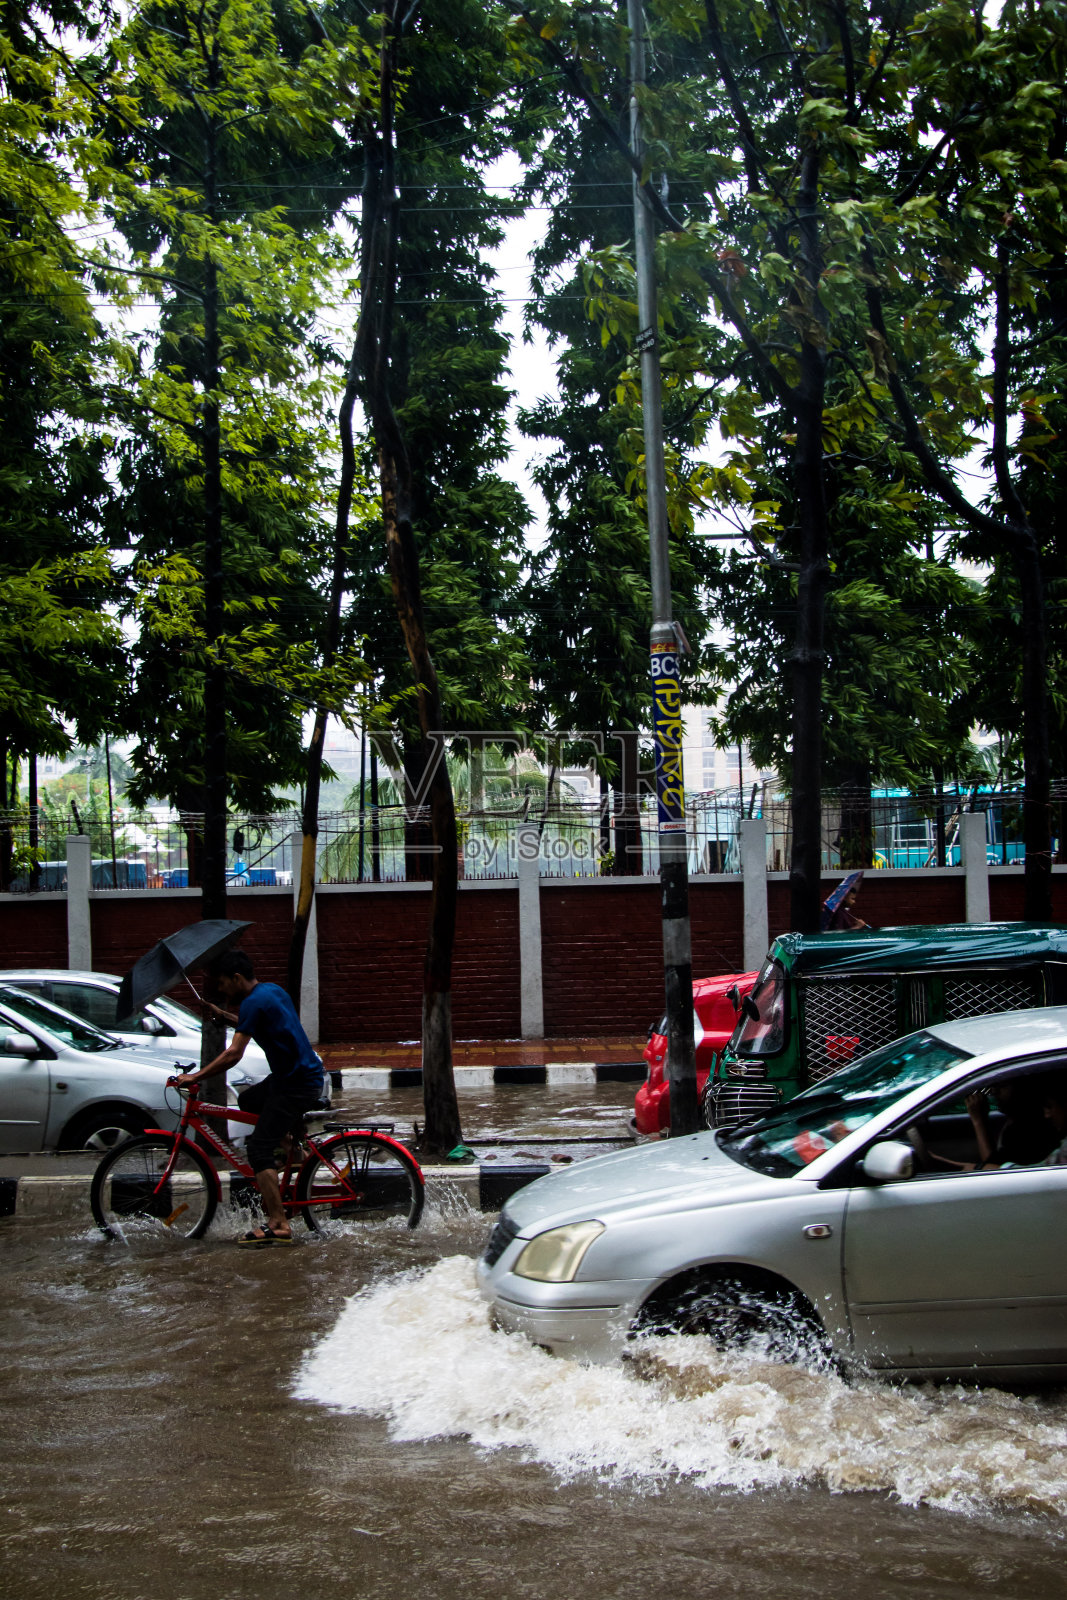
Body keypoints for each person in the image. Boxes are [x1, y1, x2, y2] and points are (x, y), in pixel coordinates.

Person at [175, 950, 325, 1246]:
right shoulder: (270, 991)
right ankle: (293, 1151)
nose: (221, 990)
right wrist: (224, 1016)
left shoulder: (254, 1002)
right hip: (297, 1077)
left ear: (236, 978)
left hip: (295, 1084)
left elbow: (233, 1054)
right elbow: (255, 1022)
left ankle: (279, 1223)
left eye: (222, 984)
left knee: (258, 1149)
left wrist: (196, 1076)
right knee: (248, 1101)